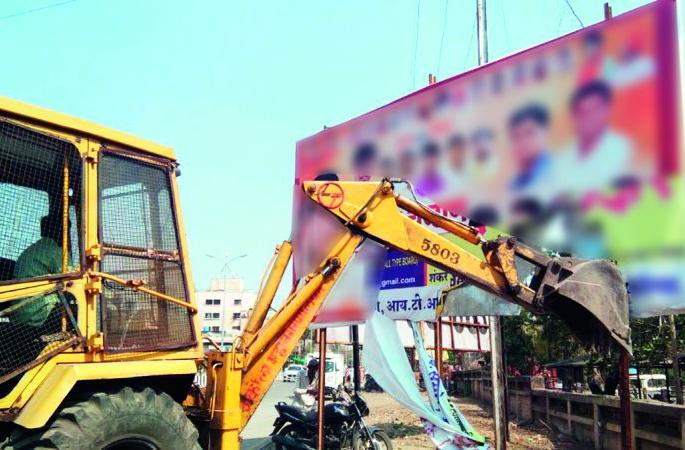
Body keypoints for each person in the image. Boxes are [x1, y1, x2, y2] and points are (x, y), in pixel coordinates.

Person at [554, 80, 631, 194]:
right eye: (582, 112)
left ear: (607, 111)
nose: (588, 117)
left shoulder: (620, 148)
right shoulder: (562, 157)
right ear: (573, 118)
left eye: (594, 110)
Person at [13, 215, 66, 328]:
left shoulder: (31, 250)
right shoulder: (55, 251)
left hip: (19, 313)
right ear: (62, 231)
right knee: (78, 308)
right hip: (38, 312)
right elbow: (72, 280)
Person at [507, 103, 555, 199]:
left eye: (529, 133)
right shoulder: (512, 184)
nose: (522, 142)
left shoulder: (560, 173)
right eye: (516, 137)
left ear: (545, 134)